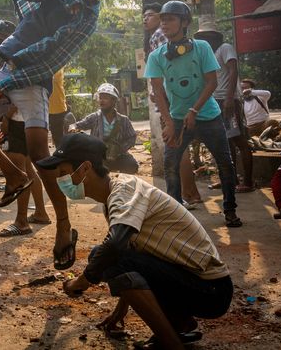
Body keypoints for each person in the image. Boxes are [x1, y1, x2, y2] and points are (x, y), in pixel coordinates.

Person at [0, 0, 126, 270]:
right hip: (7, 64)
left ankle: (63, 223)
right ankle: (14, 175)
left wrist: (4, 87)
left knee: (40, 154)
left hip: (34, 77)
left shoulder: (87, 18)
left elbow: (49, 57)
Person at [39, 133, 233, 350]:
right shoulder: (116, 193)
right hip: (199, 283)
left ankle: (172, 344)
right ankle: (181, 325)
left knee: (106, 256)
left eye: (64, 173)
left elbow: (115, 249)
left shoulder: (124, 191)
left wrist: (80, 283)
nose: (61, 181)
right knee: (111, 256)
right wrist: (120, 309)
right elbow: (134, 257)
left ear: (85, 168)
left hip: (211, 290)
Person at [144, 1, 242, 227]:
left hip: (208, 116)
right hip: (177, 119)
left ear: (184, 22)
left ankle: (230, 210)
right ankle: (176, 214)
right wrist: (168, 122)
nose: (165, 23)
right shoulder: (157, 55)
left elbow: (211, 82)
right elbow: (157, 90)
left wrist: (194, 110)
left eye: (171, 18)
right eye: (163, 19)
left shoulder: (202, 48)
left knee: (225, 163)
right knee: (170, 164)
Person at [147, 4, 201, 208]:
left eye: (151, 15)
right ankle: (190, 192)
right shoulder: (161, 35)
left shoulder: (160, 36)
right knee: (179, 146)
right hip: (178, 99)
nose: (147, 19)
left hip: (173, 101)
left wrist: (162, 98)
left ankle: (188, 193)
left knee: (176, 146)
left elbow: (171, 70)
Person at [194, 23, 254, 193]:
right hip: (215, 101)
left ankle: (248, 182)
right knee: (225, 142)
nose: (205, 40)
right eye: (202, 38)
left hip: (228, 100)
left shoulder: (225, 48)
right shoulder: (209, 54)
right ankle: (230, 180)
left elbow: (233, 71)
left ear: (214, 37)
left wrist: (229, 97)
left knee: (239, 140)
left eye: (207, 37)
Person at [0, 107, 51, 238]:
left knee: (20, 171)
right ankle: (40, 213)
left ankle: (21, 222)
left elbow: (18, 96)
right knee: (28, 168)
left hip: (18, 121)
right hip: (32, 119)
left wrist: (7, 117)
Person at [71, 83, 139, 174]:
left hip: (118, 156)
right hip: (98, 156)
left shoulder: (124, 120)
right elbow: (77, 125)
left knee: (131, 164)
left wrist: (120, 149)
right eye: (100, 98)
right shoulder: (94, 117)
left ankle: (123, 183)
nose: (101, 101)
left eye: (105, 98)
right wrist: (73, 128)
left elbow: (132, 137)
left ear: (114, 101)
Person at [48, 69, 68, 147]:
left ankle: (62, 156)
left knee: (58, 138)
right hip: (46, 108)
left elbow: (54, 77)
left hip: (57, 109)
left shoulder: (57, 67)